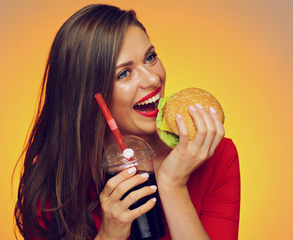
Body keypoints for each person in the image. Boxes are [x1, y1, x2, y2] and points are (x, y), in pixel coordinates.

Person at [14, 4, 240, 240]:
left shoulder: (217, 156)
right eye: (124, 73)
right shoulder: (55, 186)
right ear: (87, 95)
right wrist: (108, 235)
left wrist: (173, 185)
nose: (153, 79)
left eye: (150, 58)